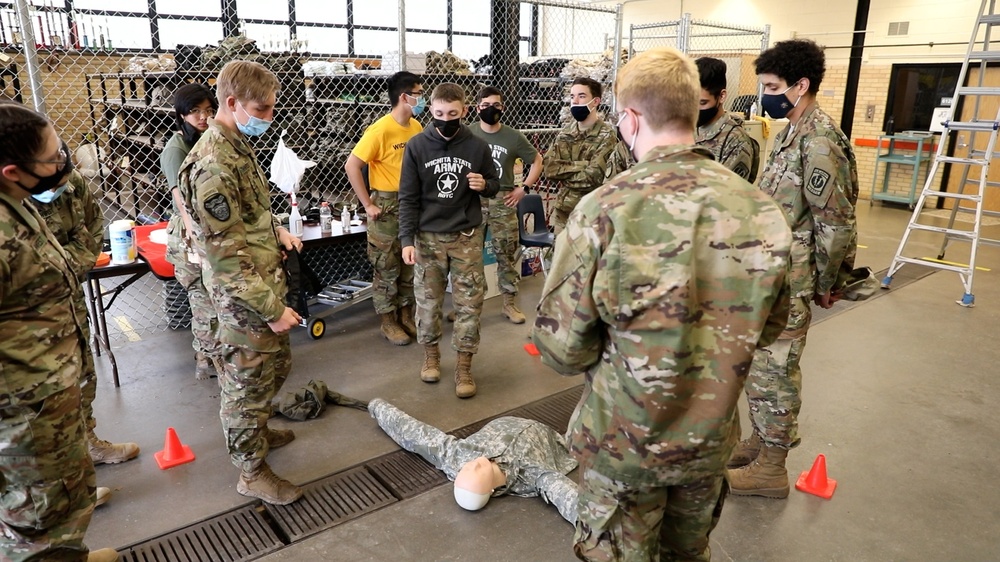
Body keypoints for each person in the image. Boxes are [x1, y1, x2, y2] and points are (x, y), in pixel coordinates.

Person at [532, 47, 792, 561]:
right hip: (708, 443)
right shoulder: (760, 209)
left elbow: (562, 351)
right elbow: (768, 326)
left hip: (624, 446)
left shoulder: (604, 210)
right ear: (694, 111)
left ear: (630, 119)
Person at [727, 39, 859, 498]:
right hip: (771, 275)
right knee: (761, 367)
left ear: (801, 86)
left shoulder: (819, 140)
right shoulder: (790, 132)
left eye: (772, 86)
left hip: (794, 279)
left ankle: (772, 468)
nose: (765, 95)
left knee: (776, 370)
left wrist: (828, 282)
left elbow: (835, 222)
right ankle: (761, 443)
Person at [178, 60, 305, 506]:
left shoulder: (237, 146)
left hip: (264, 283)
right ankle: (251, 471)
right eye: (261, 109)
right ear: (231, 104)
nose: (268, 117)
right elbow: (226, 262)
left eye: (272, 108)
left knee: (277, 368)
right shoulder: (212, 164)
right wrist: (270, 310)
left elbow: (252, 211)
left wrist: (277, 230)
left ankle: (260, 430)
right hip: (243, 300)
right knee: (245, 387)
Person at [0, 103, 119, 561]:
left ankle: (70, 552)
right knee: (37, 516)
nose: (62, 166)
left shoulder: (16, 203)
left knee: (59, 500)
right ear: (12, 170)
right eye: (52, 160)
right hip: (22, 410)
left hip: (46, 395)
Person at [30, 168, 140, 504]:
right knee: (37, 407)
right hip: (23, 318)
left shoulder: (65, 176)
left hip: (67, 299)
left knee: (80, 378)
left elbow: (92, 225)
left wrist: (68, 267)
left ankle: (84, 450)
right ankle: (57, 490)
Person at [399, 82, 500, 398]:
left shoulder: (477, 146)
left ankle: (464, 367)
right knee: (427, 304)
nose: (445, 119)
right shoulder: (416, 147)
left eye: (453, 114)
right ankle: (431, 357)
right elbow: (408, 197)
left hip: (466, 237)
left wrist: (484, 185)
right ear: (431, 110)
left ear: (465, 112)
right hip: (428, 238)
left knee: (470, 304)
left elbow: (496, 185)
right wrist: (406, 240)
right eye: (440, 113)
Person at [368, 398, 578, 524]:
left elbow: (414, 433)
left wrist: (376, 406)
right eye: (476, 472)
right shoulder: (531, 475)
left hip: (506, 422)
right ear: (490, 491)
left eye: (467, 469)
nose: (475, 463)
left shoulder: (457, 458)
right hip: (553, 438)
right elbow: (569, 499)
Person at [345, 71, 424, 346]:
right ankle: (388, 322)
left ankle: (406, 315)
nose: (421, 98)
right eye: (418, 93)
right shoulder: (379, 130)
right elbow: (352, 165)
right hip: (387, 206)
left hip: (412, 203)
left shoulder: (416, 126)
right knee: (387, 266)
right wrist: (368, 204)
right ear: (405, 97)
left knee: (409, 264)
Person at [161, 82, 221, 380]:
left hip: (210, 228)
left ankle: (215, 355)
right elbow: (180, 200)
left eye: (208, 110)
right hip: (189, 234)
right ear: (182, 114)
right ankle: (204, 358)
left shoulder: (207, 140)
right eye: (195, 111)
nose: (202, 117)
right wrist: (198, 239)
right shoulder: (176, 148)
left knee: (216, 297)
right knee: (203, 299)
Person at [470, 86, 543, 325]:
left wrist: (525, 188)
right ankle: (469, 305)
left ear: (503, 107)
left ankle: (509, 304)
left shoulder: (513, 136)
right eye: (486, 105)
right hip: (474, 200)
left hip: (504, 199)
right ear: (477, 107)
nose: (491, 109)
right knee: (469, 255)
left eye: (496, 105)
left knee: (506, 253)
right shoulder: (467, 133)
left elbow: (537, 160)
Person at [542, 77, 628, 233]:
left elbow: (593, 178)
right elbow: (549, 169)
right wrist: (583, 165)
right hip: (564, 213)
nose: (575, 101)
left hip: (591, 214)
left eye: (581, 96)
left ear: (595, 102)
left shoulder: (606, 136)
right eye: (572, 96)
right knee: (561, 255)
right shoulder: (565, 133)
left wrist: (565, 174)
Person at [694, 57, 759, 183]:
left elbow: (729, 195)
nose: (695, 109)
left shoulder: (736, 141)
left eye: (702, 102)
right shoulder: (689, 129)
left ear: (722, 96)